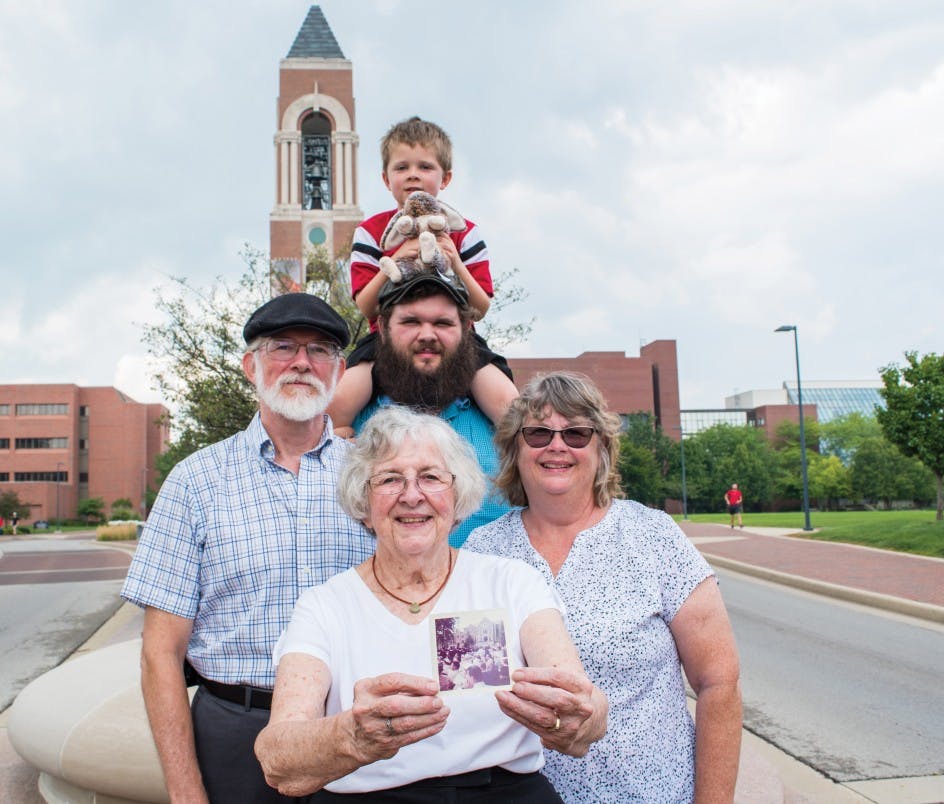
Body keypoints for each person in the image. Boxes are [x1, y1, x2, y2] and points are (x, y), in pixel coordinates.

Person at [254, 406, 607, 801]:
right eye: (389, 479)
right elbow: (277, 755)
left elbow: (586, 709)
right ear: (363, 502)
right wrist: (351, 735)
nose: (411, 495)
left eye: (430, 477)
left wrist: (574, 717)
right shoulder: (324, 606)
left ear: (457, 498)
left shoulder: (509, 582)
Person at [121, 293, 375, 804]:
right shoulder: (195, 481)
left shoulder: (375, 476)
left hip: (354, 730)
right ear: (250, 365)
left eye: (321, 350)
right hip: (235, 732)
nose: (302, 362)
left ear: (340, 370)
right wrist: (186, 793)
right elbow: (160, 653)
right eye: (283, 346)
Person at [465, 372, 742, 803]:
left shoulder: (654, 538)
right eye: (538, 433)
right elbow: (470, 692)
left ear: (602, 449)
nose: (557, 445)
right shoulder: (483, 552)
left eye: (576, 433)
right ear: (514, 449)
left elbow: (719, 682)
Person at [330, 116, 517, 437]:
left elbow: (480, 308)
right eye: (401, 167)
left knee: (512, 410)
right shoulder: (371, 232)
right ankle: (341, 460)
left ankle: (517, 475)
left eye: (425, 167)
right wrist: (396, 258)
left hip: (458, 341)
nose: (413, 174)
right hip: (387, 341)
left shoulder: (464, 232)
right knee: (335, 408)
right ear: (386, 179)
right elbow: (366, 307)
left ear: (445, 178)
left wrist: (455, 261)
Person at [346, 270, 512, 547]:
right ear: (384, 329)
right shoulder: (349, 427)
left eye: (443, 323)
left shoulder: (505, 426)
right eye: (410, 321)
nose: (427, 335)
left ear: (466, 330)